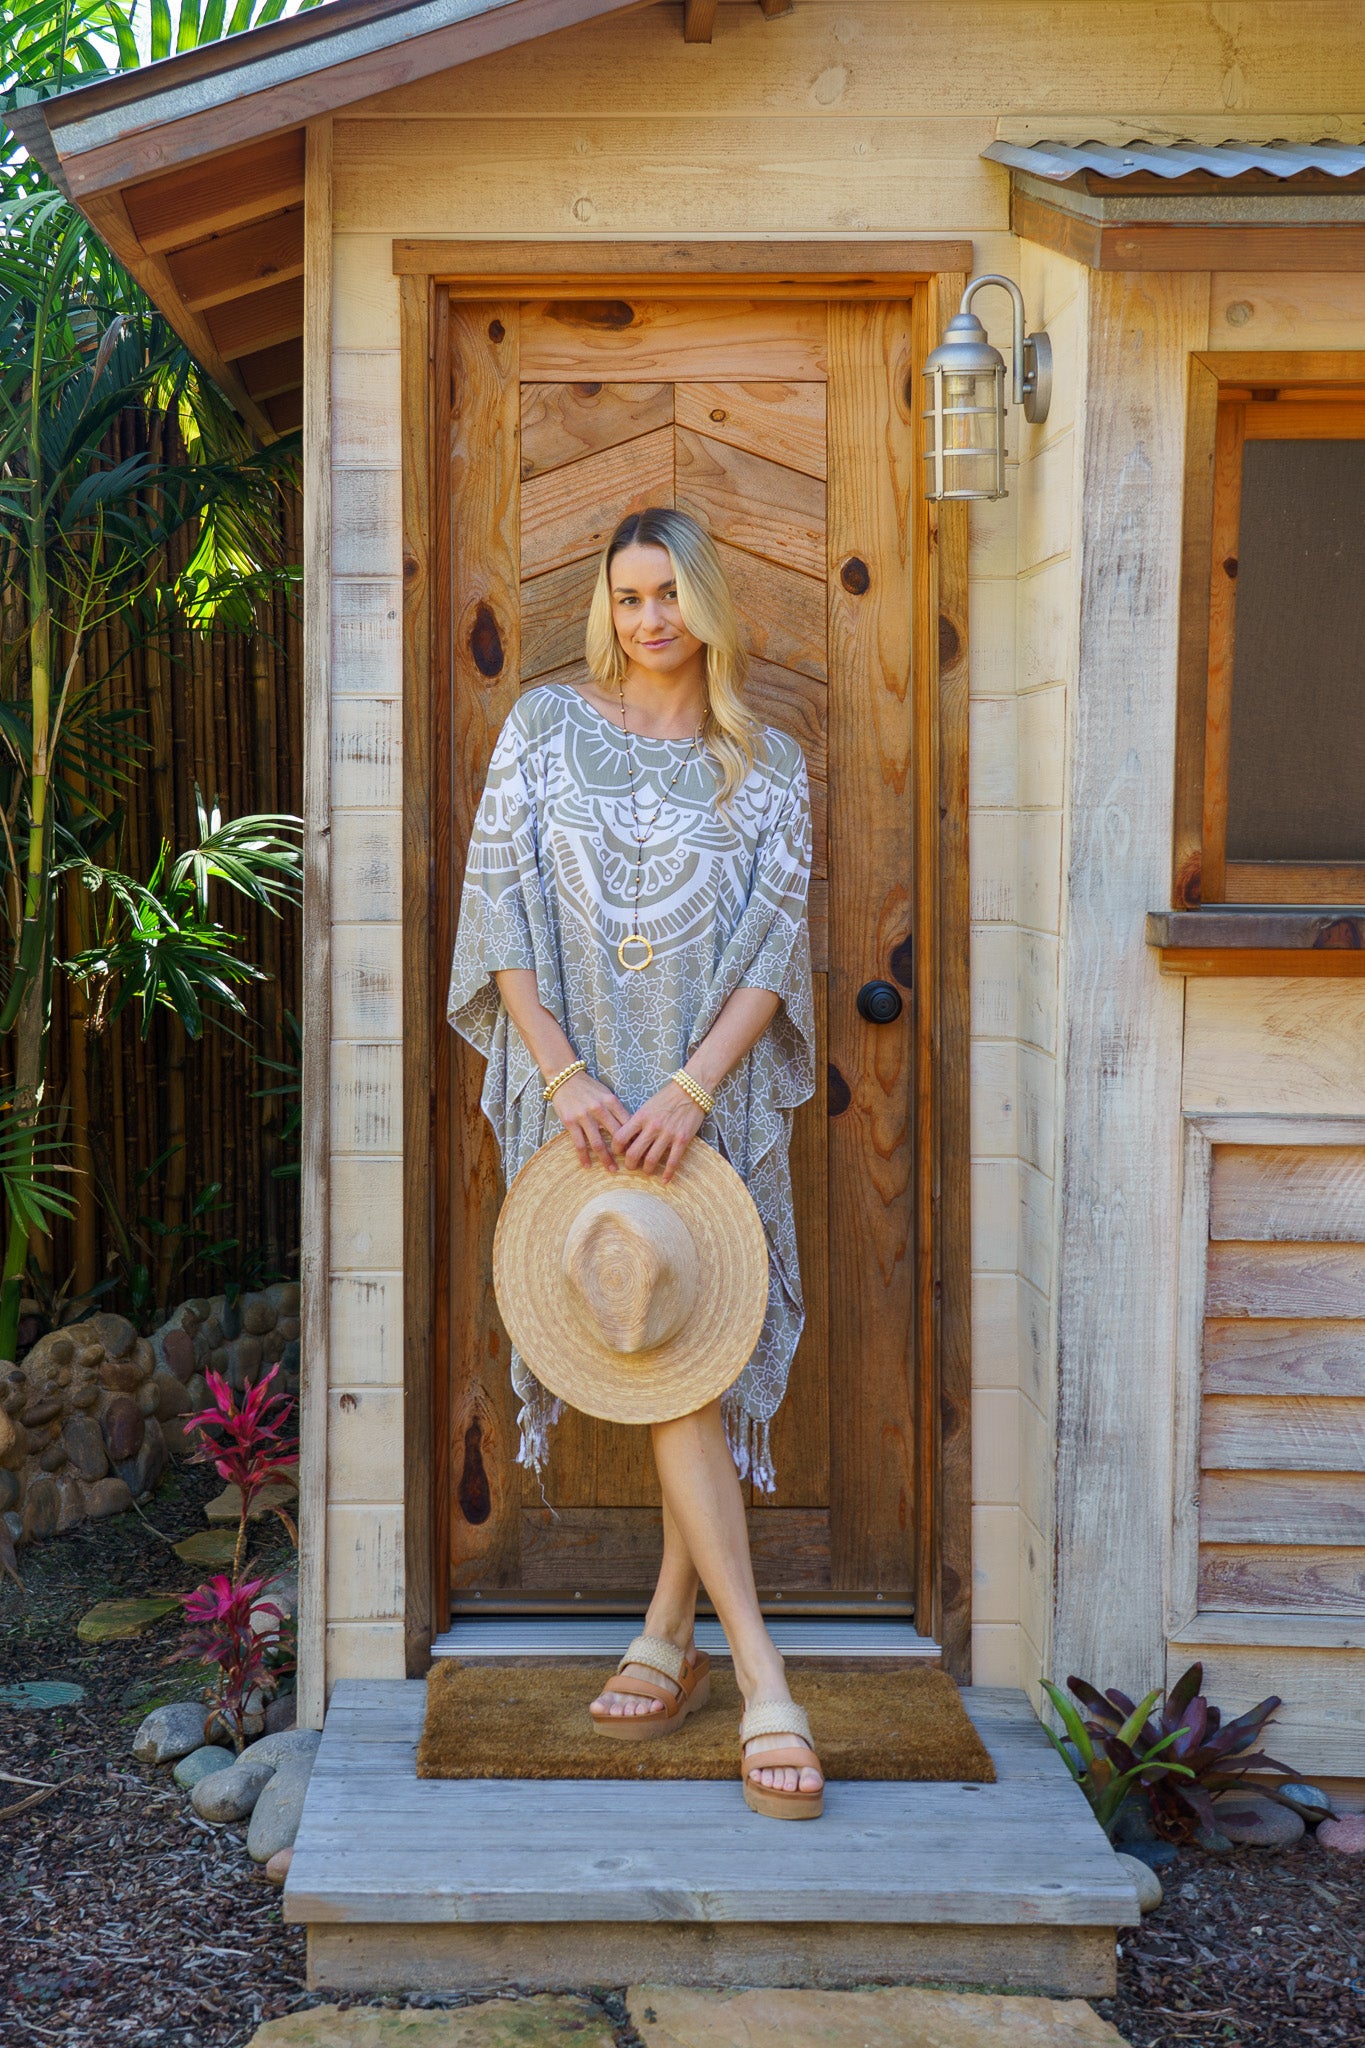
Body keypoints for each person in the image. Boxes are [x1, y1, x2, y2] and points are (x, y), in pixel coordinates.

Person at [448, 505, 823, 1818]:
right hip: (582, 1110)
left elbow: (773, 950)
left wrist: (691, 1088)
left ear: (705, 604)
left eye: (670, 594)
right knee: (671, 1357)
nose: (650, 618)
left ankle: (699, 1645)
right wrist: (563, 1073)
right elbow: (500, 910)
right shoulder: (543, 730)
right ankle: (731, 1658)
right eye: (628, 597)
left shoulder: (767, 765)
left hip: (699, 1107)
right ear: (605, 608)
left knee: (687, 1362)